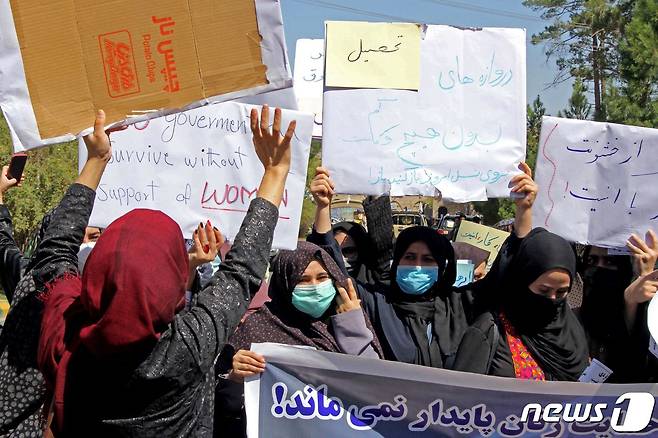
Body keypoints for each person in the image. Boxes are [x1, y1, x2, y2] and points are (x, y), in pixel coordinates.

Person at [34, 105, 295, 437]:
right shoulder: (189, 344)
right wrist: (275, 171)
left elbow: (53, 253)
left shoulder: (66, 330)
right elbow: (243, 269)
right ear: (172, 282)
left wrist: (96, 160)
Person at [307, 163, 538, 369]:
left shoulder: (460, 304)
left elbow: (506, 270)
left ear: (442, 267)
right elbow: (330, 267)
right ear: (397, 262)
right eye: (409, 257)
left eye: (427, 260)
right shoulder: (376, 302)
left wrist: (524, 210)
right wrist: (323, 208)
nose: (417, 266)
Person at [214, 241, 382, 436]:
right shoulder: (256, 329)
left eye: (322, 277)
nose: (315, 288)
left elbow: (377, 390)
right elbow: (225, 409)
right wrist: (235, 379)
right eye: (303, 280)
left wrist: (352, 327)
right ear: (285, 281)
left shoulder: (349, 320)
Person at [453, 228, 589, 381]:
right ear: (522, 283)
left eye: (561, 292)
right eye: (544, 290)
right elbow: (462, 396)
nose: (552, 299)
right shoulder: (490, 330)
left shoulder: (573, 332)